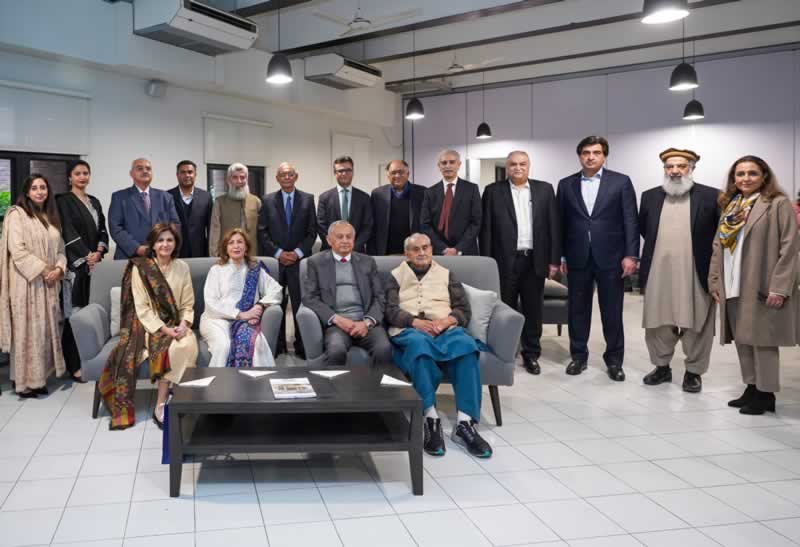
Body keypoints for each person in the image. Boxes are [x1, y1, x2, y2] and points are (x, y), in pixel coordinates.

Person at [385, 233, 492, 458]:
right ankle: (430, 417)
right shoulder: (395, 276)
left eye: (425, 247)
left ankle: (465, 423)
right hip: (411, 330)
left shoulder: (446, 274)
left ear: (431, 249)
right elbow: (390, 310)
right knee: (419, 348)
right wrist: (414, 322)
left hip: (445, 329)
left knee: (466, 346)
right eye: (415, 249)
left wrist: (446, 321)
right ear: (406, 254)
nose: (421, 252)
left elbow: (463, 309)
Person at [709, 155, 800, 415]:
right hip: (733, 282)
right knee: (743, 338)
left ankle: (766, 393)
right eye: (740, 174)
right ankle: (751, 386)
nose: (745, 178)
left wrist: (780, 286)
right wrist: (715, 280)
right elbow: (718, 246)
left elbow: (790, 248)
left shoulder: (778, 204)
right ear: (733, 178)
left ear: (764, 176)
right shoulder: (732, 205)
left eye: (752, 173)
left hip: (761, 283)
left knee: (763, 340)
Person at [98, 223, 198, 430]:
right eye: (160, 240)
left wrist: (183, 324)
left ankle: (178, 399)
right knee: (170, 349)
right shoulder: (140, 268)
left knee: (187, 344)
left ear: (175, 243)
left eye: (169, 240)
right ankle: (160, 405)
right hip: (150, 326)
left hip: (177, 324)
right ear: (152, 244)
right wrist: (165, 329)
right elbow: (142, 307)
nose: (165, 244)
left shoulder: (182, 268)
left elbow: (188, 304)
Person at [557, 136, 639, 381]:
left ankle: (614, 361)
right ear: (579, 156)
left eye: (596, 152)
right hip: (577, 256)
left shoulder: (621, 182)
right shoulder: (566, 184)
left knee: (612, 312)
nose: (590, 157)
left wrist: (631, 255)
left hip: (612, 258)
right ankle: (578, 357)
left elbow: (630, 220)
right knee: (577, 311)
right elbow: (560, 223)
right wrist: (560, 254)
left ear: (604, 155)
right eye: (585, 152)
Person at [638, 148, 719, 393]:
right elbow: (644, 229)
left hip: (696, 271)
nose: (675, 171)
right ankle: (661, 367)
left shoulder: (711, 196)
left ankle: (694, 372)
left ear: (691, 168)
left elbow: (719, 235)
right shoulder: (650, 196)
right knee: (657, 323)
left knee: (698, 323)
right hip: (658, 270)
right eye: (669, 166)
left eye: (681, 166)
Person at [481, 151, 561, 375]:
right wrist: (487, 261)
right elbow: (486, 230)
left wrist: (554, 260)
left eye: (522, 164)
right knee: (503, 308)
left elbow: (554, 226)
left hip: (535, 259)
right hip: (504, 260)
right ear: (507, 167)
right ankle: (505, 351)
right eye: (513, 164)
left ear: (529, 166)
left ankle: (531, 354)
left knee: (533, 309)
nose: (518, 168)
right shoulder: (493, 191)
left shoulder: (545, 189)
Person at [0, 174, 66, 397]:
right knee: (25, 331)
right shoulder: (16, 215)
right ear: (27, 192)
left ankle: (39, 379)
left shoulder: (49, 217)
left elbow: (61, 250)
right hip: (26, 282)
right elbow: (17, 250)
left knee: (43, 332)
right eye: (35, 188)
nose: (40, 191)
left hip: (48, 284)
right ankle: (23, 382)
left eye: (43, 187)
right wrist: (46, 270)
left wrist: (59, 269)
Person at [302, 221, 392, 367]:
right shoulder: (316, 263)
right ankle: (334, 384)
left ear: (354, 239)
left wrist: (367, 322)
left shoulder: (367, 262)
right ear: (329, 240)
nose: (345, 241)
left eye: (349, 237)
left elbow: (380, 297)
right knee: (336, 350)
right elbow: (309, 297)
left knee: (384, 348)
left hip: (366, 323)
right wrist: (337, 319)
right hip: (337, 324)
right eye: (340, 237)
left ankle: (377, 383)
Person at [56, 160, 109, 383]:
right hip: (77, 268)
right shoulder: (62, 201)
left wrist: (98, 252)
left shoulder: (94, 201)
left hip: (95, 267)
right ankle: (73, 365)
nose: (82, 177)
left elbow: (102, 230)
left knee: (91, 316)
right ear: (69, 177)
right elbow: (67, 231)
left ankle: (91, 363)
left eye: (86, 173)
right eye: (77, 173)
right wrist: (87, 256)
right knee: (75, 316)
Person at [258, 162, 317, 358]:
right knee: (276, 304)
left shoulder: (308, 199)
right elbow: (262, 232)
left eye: (290, 174)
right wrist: (279, 254)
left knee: (301, 304)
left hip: (300, 263)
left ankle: (302, 347)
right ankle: (277, 346)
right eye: (283, 174)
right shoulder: (267, 201)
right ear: (277, 178)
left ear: (296, 177)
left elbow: (312, 231)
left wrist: (297, 253)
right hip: (276, 263)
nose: (287, 177)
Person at [201, 229, 283, 367]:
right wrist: (240, 314)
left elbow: (276, 290)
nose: (236, 246)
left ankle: (256, 381)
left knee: (256, 343)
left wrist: (260, 305)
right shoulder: (216, 270)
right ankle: (220, 381)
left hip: (245, 321)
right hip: (216, 319)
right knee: (224, 346)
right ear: (226, 248)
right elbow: (211, 304)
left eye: (240, 242)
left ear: (246, 247)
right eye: (231, 243)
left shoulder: (254, 269)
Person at [108, 158, 181, 259]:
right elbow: (116, 228)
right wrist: (137, 248)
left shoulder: (166, 197)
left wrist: (165, 245)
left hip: (161, 257)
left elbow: (175, 225)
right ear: (131, 174)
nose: (145, 171)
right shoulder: (119, 197)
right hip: (129, 257)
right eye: (140, 168)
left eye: (148, 168)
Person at [420, 149, 482, 256]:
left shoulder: (472, 189)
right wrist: (443, 248)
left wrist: (458, 249)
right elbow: (425, 224)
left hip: (466, 251)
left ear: (459, 164)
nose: (448, 166)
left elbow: (476, 222)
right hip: (438, 252)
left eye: (452, 162)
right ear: (439, 166)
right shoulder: (429, 192)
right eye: (444, 163)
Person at [317, 156, 373, 253]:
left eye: (348, 170)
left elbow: (367, 227)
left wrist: (352, 247)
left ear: (353, 172)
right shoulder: (324, 198)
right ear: (335, 173)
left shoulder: (364, 198)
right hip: (330, 252)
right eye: (340, 171)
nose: (344, 173)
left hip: (356, 252)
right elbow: (321, 226)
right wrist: (335, 245)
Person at [369, 160, 425, 255]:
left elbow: (427, 224)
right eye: (393, 173)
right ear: (388, 175)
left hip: (415, 251)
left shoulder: (422, 193)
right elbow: (372, 226)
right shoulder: (377, 194)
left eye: (401, 172)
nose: (397, 176)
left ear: (408, 174)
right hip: (385, 252)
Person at [209, 163, 261, 257]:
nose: (239, 181)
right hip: (227, 256)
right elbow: (215, 231)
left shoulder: (256, 201)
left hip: (251, 255)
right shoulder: (219, 202)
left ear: (247, 179)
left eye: (242, 177)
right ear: (228, 180)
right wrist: (214, 255)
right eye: (235, 177)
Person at [168, 160, 212, 258]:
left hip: (200, 250)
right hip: (175, 251)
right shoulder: (167, 196)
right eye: (183, 172)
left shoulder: (206, 197)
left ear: (195, 175)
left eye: (190, 172)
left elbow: (210, 227)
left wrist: (211, 251)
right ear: (177, 175)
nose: (187, 175)